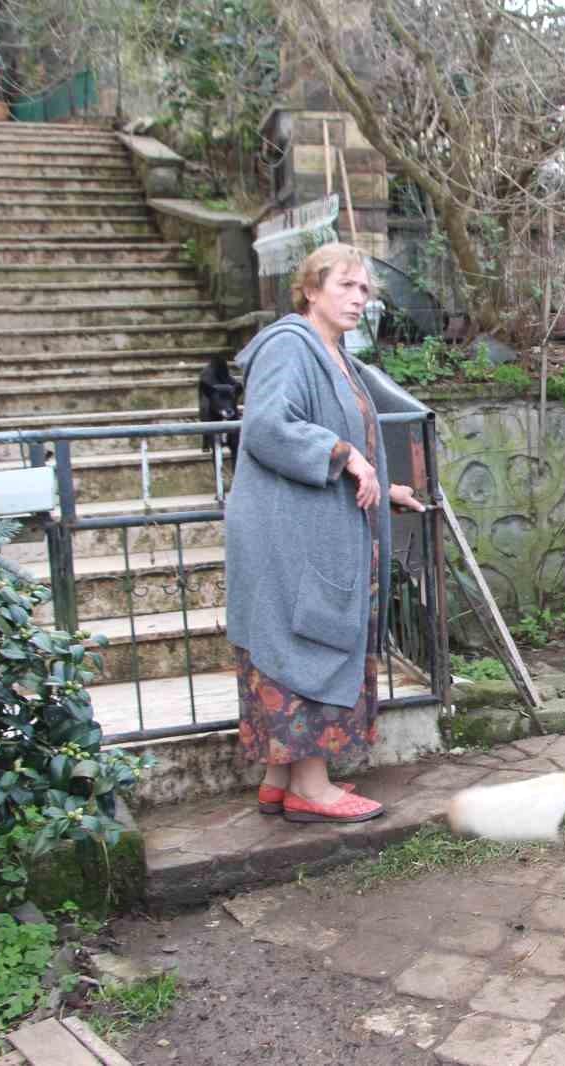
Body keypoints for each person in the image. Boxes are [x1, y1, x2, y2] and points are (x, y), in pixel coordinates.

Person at [224, 243, 426, 824]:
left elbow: (334, 438)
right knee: (306, 644)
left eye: (366, 290)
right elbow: (267, 426)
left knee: (303, 641)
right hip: (288, 538)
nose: (359, 298)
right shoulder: (290, 346)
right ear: (311, 289)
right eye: (346, 285)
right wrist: (347, 456)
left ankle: (279, 778)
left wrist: (382, 487)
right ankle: (312, 789)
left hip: (311, 528)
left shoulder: (333, 353)